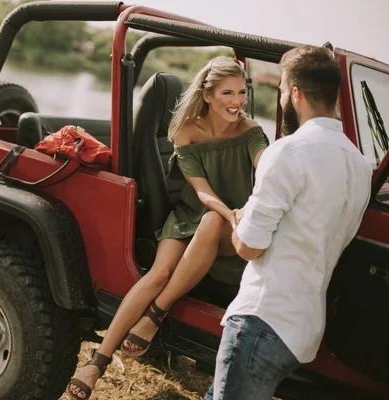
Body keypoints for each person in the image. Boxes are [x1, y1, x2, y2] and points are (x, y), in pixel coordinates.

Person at [66, 56, 269, 400]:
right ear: (207, 95)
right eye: (227, 93)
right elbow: (202, 191)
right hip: (193, 213)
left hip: (231, 225)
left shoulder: (250, 132)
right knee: (158, 272)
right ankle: (96, 363)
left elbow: (266, 166)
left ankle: (155, 314)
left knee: (212, 221)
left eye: (241, 93)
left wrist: (244, 210)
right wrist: (227, 212)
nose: (237, 102)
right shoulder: (186, 130)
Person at [204, 45, 373, 400]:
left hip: (262, 320)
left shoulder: (288, 151)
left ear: (295, 93)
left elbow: (250, 247)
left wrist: (238, 220)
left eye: (281, 90)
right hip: (304, 332)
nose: (281, 98)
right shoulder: (359, 164)